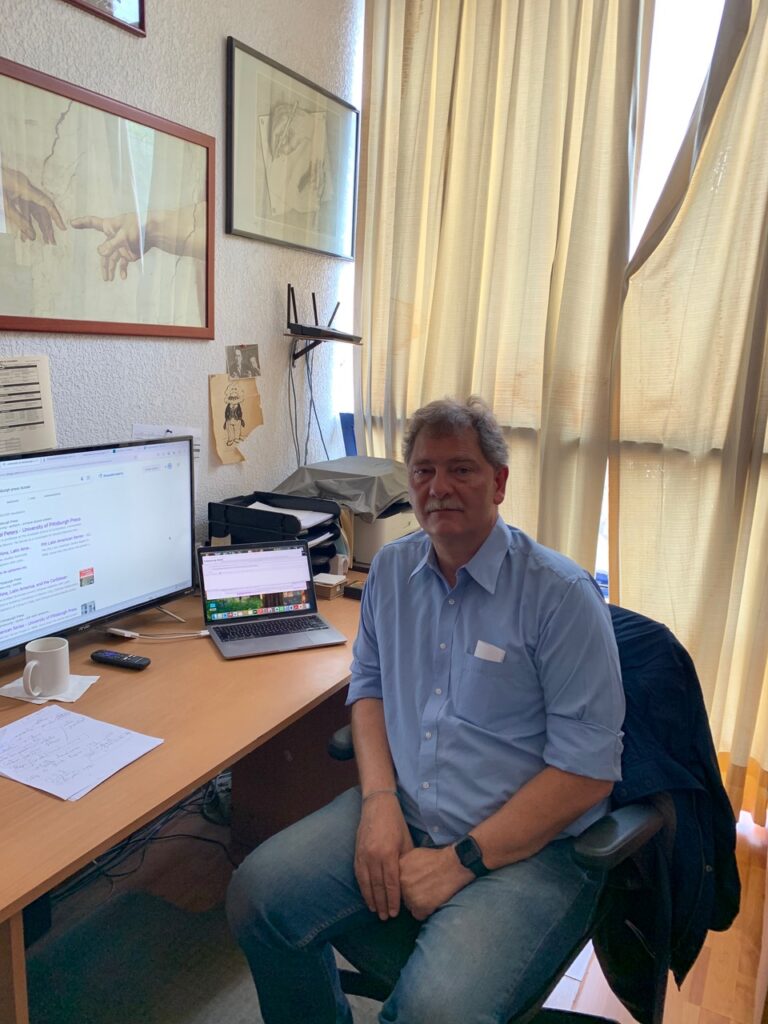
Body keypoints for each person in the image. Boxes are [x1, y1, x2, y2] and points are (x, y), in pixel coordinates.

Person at [226, 396, 625, 1024]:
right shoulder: (389, 569)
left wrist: (461, 860)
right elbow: (369, 688)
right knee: (258, 898)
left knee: (432, 1012)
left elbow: (587, 772)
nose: (438, 487)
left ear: (499, 482)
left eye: (461, 469)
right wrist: (380, 804)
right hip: (405, 808)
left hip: (528, 851)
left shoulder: (562, 598)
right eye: (423, 471)